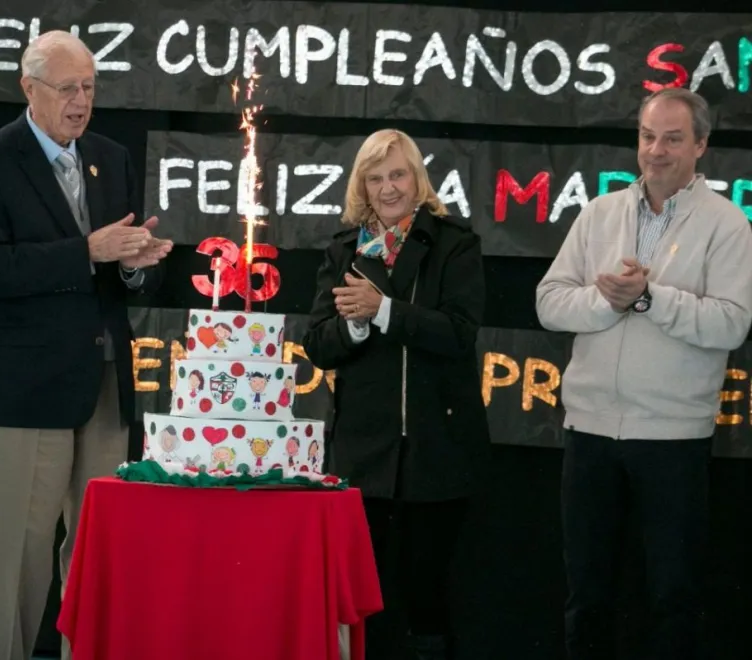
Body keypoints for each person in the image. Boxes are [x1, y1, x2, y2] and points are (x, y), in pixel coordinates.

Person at [0, 30, 172, 660]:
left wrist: (136, 264)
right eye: (68, 88)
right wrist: (86, 251)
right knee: (19, 561)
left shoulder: (111, 156)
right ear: (29, 89)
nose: (81, 101)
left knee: (98, 552)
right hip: (26, 393)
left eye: (90, 88)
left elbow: (127, 269)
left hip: (105, 385)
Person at [536, 87, 752, 660]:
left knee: (672, 595)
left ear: (701, 146)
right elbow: (548, 302)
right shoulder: (598, 213)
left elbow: (732, 324)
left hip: (674, 439)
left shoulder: (728, 225)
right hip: (589, 433)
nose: (656, 151)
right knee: (586, 592)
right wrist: (608, 303)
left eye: (673, 138)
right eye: (647, 136)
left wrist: (651, 299)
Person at [302, 129, 490, 660]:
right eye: (376, 177)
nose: (388, 188)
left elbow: (458, 333)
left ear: (418, 179)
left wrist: (381, 310)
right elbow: (318, 343)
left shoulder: (456, 243)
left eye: (398, 174)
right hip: (365, 456)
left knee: (427, 597)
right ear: (362, 185)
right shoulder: (343, 250)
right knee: (364, 601)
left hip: (438, 453)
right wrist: (356, 326)